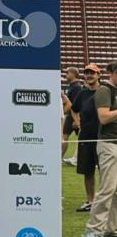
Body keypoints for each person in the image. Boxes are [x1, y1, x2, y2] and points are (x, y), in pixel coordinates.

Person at [84, 61, 117, 237]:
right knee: (107, 189)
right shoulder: (105, 90)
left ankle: (110, 229)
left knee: (116, 190)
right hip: (108, 144)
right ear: (113, 73)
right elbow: (103, 118)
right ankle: (93, 229)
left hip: (115, 143)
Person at [72, 63, 103, 213]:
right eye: (86, 73)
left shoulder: (105, 92)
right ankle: (90, 201)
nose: (89, 75)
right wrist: (77, 123)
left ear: (98, 75)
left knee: (105, 171)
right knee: (87, 171)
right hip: (85, 138)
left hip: (103, 138)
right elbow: (73, 109)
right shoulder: (82, 93)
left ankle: (104, 202)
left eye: (92, 73)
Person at [64, 67, 83, 165]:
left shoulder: (77, 87)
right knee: (67, 137)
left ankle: (76, 159)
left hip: (74, 116)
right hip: (71, 116)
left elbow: (76, 105)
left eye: (67, 73)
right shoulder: (71, 86)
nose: (65, 75)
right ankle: (74, 158)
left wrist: (77, 120)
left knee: (81, 139)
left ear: (73, 74)